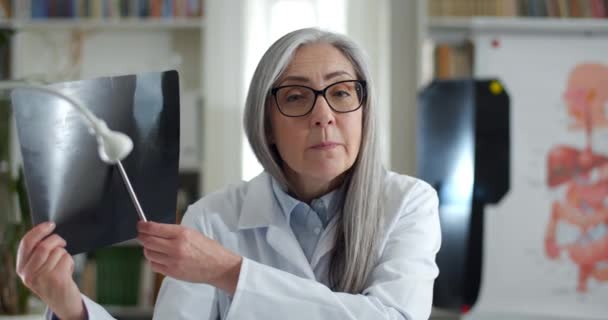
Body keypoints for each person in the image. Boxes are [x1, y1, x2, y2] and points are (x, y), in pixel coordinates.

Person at [16, 28, 441, 320]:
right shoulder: (213, 218)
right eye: (296, 97)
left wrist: (229, 272)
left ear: (365, 111)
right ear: (266, 124)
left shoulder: (407, 203)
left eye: (341, 92)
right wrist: (72, 307)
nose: (323, 115)